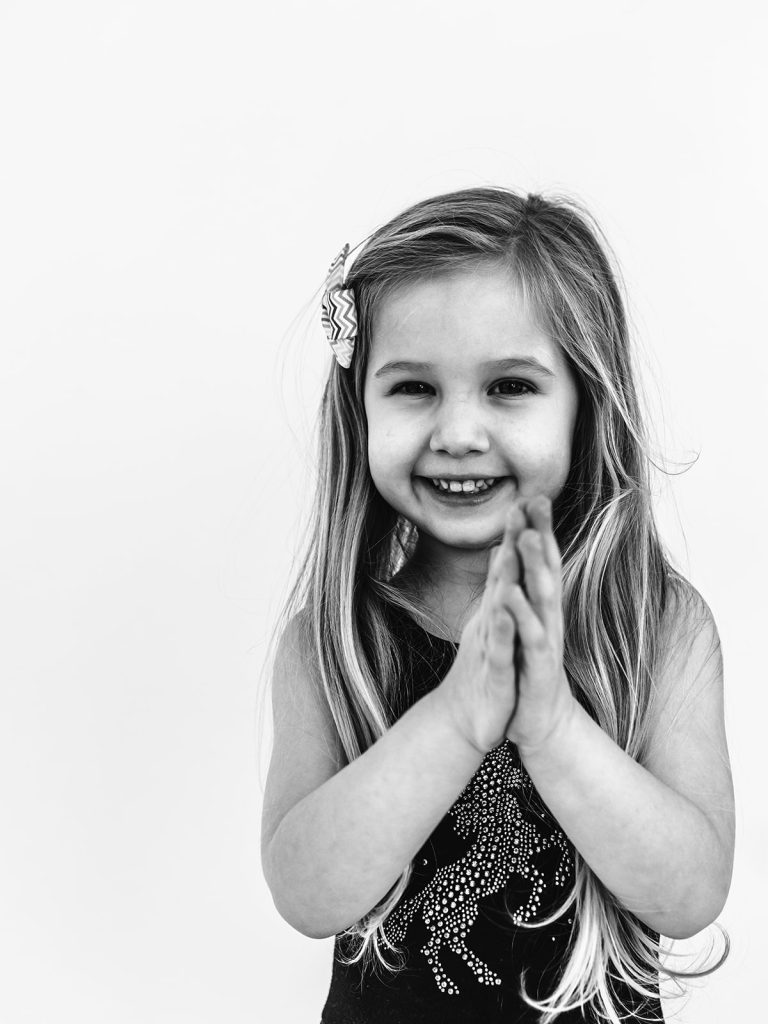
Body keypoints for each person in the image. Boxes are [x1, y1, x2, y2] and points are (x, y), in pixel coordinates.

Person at [259, 187, 735, 1023]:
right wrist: (456, 716)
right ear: (359, 405)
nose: (458, 432)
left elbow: (691, 895)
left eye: (510, 386)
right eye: (413, 388)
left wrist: (549, 724)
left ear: (586, 401)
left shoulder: (660, 628)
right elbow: (306, 893)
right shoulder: (335, 639)